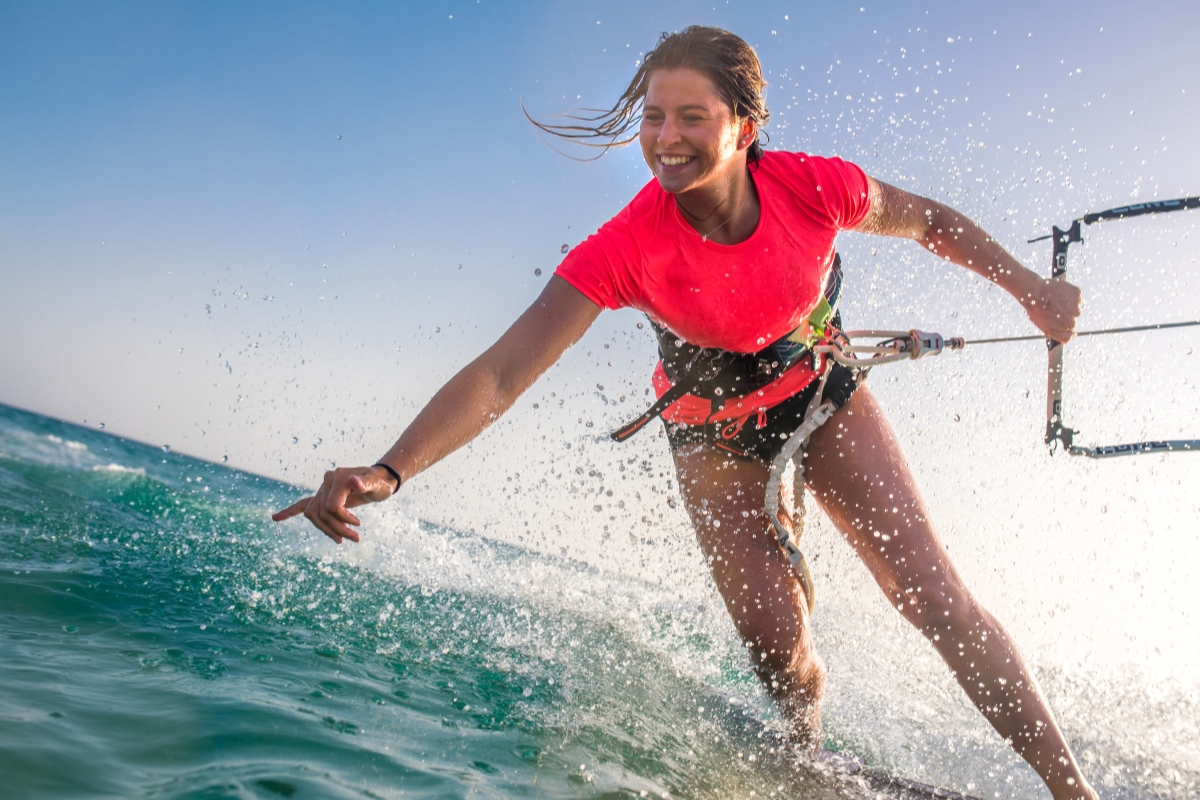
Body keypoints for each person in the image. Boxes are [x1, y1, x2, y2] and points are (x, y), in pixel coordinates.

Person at [274, 26, 1097, 800]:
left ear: (744, 126)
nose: (666, 137)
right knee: (779, 649)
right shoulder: (628, 244)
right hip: (714, 433)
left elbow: (932, 223)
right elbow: (501, 371)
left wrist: (1032, 293)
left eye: (691, 117)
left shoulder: (815, 186)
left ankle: (1072, 791)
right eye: (654, 117)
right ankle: (804, 757)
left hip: (822, 391)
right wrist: (390, 470)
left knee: (933, 598)